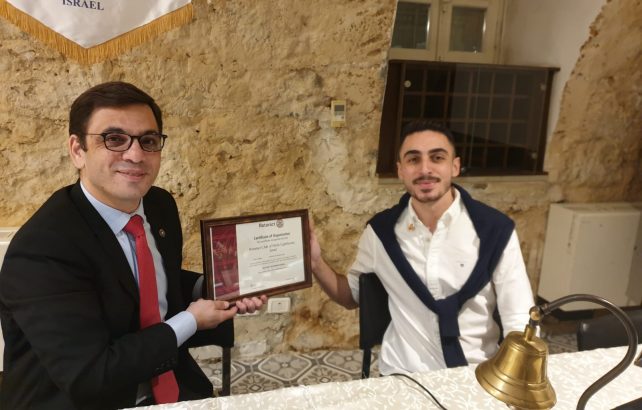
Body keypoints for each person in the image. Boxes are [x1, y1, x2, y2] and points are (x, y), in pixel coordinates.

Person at [0, 81, 265, 409]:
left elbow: (147, 282)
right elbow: (89, 375)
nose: (136, 155)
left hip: (168, 381)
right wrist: (191, 321)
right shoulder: (42, 249)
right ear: (77, 150)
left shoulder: (158, 204)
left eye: (148, 141)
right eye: (114, 139)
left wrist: (217, 288)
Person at [310, 120, 534, 375]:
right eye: (413, 159)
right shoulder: (381, 233)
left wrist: (512, 380)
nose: (425, 169)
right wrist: (316, 262)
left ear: (455, 166)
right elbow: (350, 296)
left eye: (437, 158)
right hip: (403, 374)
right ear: (400, 170)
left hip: (477, 374)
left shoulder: (495, 230)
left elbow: (519, 318)